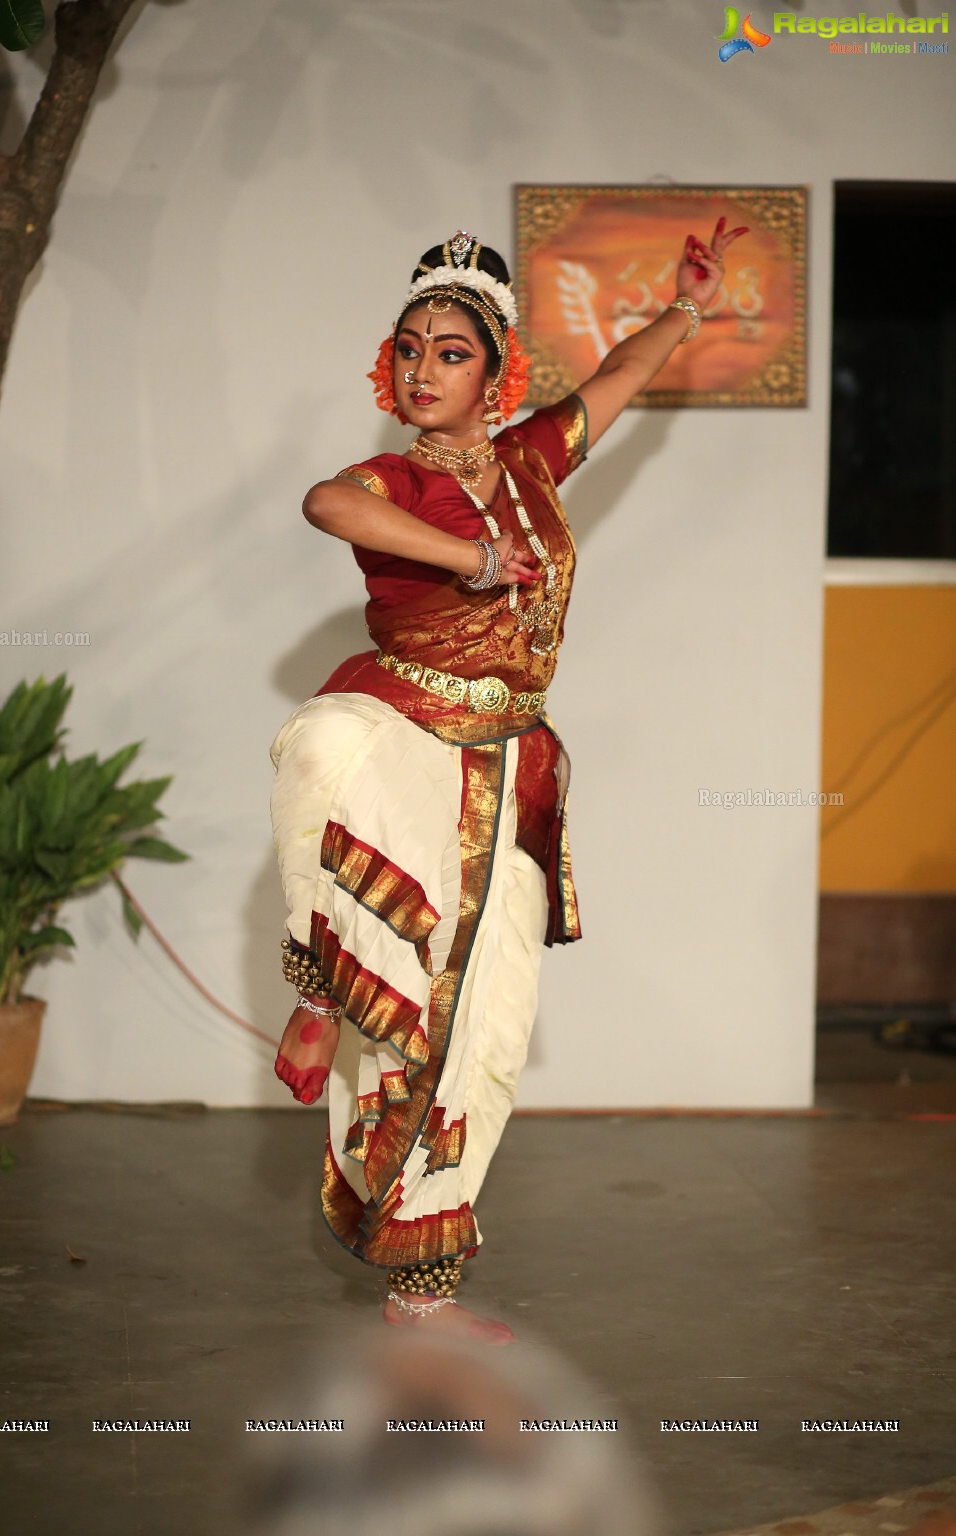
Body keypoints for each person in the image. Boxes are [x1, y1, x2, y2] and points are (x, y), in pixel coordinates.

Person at [269, 220, 748, 1345]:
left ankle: (419, 1290)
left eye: (450, 351)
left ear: (495, 376)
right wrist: (467, 560)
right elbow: (325, 508)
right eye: (409, 348)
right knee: (321, 744)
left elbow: (622, 375)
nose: (422, 368)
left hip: (512, 770)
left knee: (485, 1025)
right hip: (407, 742)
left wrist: (688, 305)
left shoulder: (534, 456)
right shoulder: (383, 479)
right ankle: (325, 976)